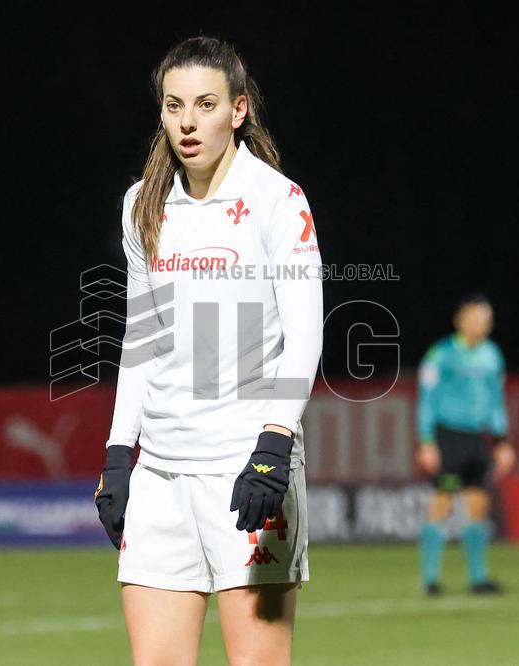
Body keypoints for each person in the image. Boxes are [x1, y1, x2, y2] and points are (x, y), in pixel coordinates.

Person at [94, 36, 323, 665]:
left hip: (249, 469)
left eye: (205, 104)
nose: (188, 122)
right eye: (174, 106)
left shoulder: (278, 200)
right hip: (161, 476)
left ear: (239, 110)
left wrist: (275, 444)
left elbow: (306, 333)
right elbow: (142, 334)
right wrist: (119, 455)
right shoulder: (141, 203)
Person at [414, 294, 516, 596]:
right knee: (442, 502)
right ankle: (430, 579)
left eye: (486, 319)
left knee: (478, 505)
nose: (480, 324)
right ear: (460, 320)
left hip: (476, 438)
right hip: (448, 436)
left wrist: (502, 440)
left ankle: (478, 577)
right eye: (475, 318)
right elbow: (426, 400)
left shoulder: (491, 356)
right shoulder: (441, 355)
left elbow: (496, 402)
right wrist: (427, 441)